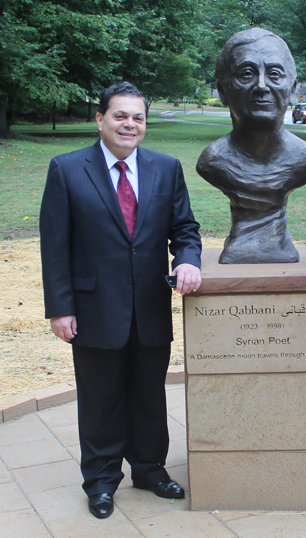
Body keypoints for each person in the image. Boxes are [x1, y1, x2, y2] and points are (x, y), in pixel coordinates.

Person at [40, 82, 202, 519]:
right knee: (101, 400)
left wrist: (188, 260)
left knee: (149, 396)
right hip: (94, 309)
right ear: (100, 119)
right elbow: (55, 245)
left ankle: (149, 470)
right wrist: (59, 307)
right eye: (120, 115)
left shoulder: (166, 168)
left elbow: (185, 229)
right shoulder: (67, 169)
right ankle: (101, 481)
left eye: (138, 117)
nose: (130, 124)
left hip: (150, 306)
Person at [197, 28, 306, 264]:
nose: (262, 85)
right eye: (246, 74)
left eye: (274, 74)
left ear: (292, 89)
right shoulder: (211, 161)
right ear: (223, 91)